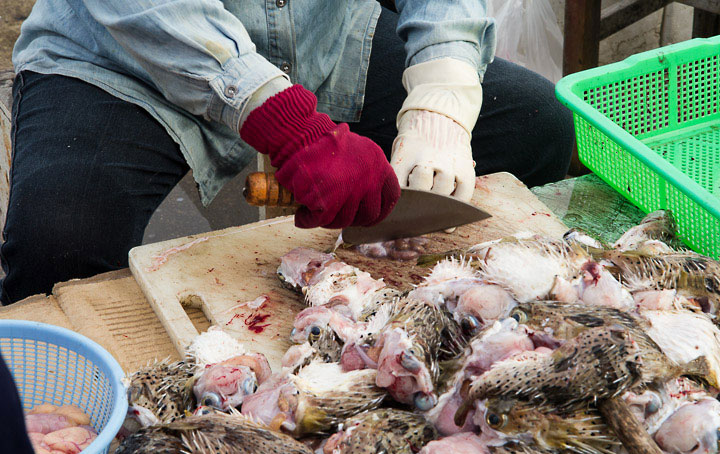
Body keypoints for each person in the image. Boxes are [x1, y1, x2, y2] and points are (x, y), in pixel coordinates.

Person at [3, 0, 573, 305]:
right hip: (125, 57)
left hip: (322, 41)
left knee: (536, 123)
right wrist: (294, 128)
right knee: (59, 239)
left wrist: (441, 96)